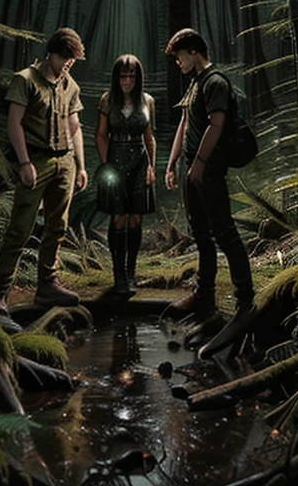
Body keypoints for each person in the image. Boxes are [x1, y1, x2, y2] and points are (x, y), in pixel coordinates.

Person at [165, 28, 255, 357]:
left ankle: (246, 302)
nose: (178, 63)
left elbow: (217, 124)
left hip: (210, 170)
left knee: (225, 233)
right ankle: (204, 296)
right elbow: (186, 123)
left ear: (193, 52)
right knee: (201, 234)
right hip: (193, 169)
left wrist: (201, 163)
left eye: (179, 56)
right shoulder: (196, 82)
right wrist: (173, 162)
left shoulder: (216, 81)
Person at [0, 27, 88, 314]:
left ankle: (48, 285)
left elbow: (75, 127)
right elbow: (13, 123)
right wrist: (24, 163)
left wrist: (80, 166)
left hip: (65, 161)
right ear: (52, 53)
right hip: (36, 160)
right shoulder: (26, 80)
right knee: (20, 228)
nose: (69, 63)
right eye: (65, 57)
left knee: (58, 227)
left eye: (73, 59)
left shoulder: (71, 85)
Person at [95, 54, 156, 296]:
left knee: (136, 217)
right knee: (119, 216)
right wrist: (105, 164)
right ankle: (118, 274)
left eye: (132, 75)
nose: (127, 80)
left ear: (138, 77)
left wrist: (151, 166)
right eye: (123, 75)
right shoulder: (107, 100)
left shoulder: (147, 101)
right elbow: (100, 134)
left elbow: (149, 137)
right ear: (116, 77)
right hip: (116, 159)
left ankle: (131, 273)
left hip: (140, 161)